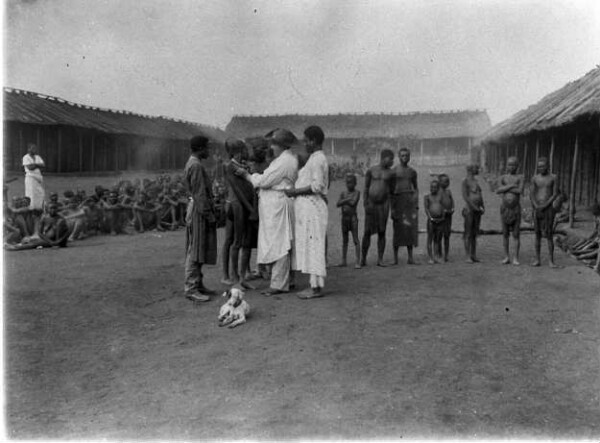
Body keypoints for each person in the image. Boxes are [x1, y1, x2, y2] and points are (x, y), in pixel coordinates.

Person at [235, 128, 298, 296]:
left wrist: (248, 175)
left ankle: (278, 284)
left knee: (279, 244)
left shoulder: (284, 161)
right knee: (283, 243)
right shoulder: (284, 160)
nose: (272, 148)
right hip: (275, 204)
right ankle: (287, 280)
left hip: (277, 205)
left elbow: (263, 181)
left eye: (274, 144)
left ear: (281, 146)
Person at [285, 126, 329, 299]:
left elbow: (317, 186)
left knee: (315, 246)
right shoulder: (314, 158)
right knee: (311, 246)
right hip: (308, 208)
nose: (304, 144)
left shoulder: (318, 159)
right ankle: (314, 285)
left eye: (306, 140)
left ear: (314, 141)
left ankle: (316, 288)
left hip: (313, 208)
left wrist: (295, 192)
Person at [183, 135, 218, 302]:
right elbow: (199, 195)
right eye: (206, 148)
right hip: (199, 210)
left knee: (200, 248)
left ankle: (198, 283)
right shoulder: (195, 165)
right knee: (195, 249)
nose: (208, 151)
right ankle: (191, 288)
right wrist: (209, 214)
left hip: (198, 208)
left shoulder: (194, 163)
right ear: (199, 149)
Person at [221, 138, 258, 289]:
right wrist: (251, 209)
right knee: (236, 241)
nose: (246, 152)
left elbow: (250, 188)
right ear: (237, 151)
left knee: (247, 242)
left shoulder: (244, 166)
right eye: (244, 150)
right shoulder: (230, 167)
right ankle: (234, 277)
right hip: (237, 206)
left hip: (245, 206)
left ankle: (242, 278)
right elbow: (238, 191)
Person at [361, 149, 394, 267]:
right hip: (371, 204)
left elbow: (392, 191)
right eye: (391, 159)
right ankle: (363, 259)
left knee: (382, 232)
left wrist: (390, 207)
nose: (392, 162)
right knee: (367, 232)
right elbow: (365, 188)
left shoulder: (391, 173)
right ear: (384, 158)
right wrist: (365, 203)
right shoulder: (372, 170)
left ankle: (380, 259)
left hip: (383, 205)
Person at [391, 148, 419, 265]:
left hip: (409, 201)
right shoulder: (394, 171)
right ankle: (395, 258)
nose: (405, 158)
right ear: (398, 157)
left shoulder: (412, 172)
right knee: (397, 229)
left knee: (409, 229)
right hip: (398, 201)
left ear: (410, 157)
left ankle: (410, 257)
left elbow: (416, 188)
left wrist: (415, 201)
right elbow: (391, 191)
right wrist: (392, 208)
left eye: (407, 155)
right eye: (402, 155)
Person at [530, 157, 560, 268]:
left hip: (548, 209)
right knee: (537, 234)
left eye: (543, 166)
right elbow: (532, 194)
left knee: (549, 235)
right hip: (537, 208)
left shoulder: (553, 177)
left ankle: (551, 261)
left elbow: (555, 194)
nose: (541, 168)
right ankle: (537, 259)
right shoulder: (535, 178)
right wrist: (536, 205)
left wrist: (545, 205)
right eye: (539, 166)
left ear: (548, 166)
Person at [496, 156, 524, 265]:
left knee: (516, 234)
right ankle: (506, 256)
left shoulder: (520, 177)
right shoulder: (502, 177)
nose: (511, 167)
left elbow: (520, 190)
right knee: (505, 234)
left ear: (517, 166)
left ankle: (516, 257)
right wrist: (512, 185)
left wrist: (506, 187)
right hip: (505, 209)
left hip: (515, 209)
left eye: (513, 165)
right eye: (509, 164)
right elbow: (498, 190)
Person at [336, 173, 361, 269]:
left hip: (353, 218)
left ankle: (358, 261)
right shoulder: (343, 193)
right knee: (345, 240)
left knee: (355, 239)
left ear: (355, 183)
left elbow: (353, 202)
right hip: (344, 218)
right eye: (347, 183)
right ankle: (343, 260)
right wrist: (347, 199)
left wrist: (344, 200)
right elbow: (338, 204)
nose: (349, 184)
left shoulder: (357, 192)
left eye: (351, 182)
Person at [462, 164, 485, 263]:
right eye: (476, 168)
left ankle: (473, 254)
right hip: (469, 210)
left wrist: (482, 206)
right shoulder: (465, 181)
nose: (478, 169)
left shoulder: (476, 181)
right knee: (468, 233)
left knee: (474, 234)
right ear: (471, 170)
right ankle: (468, 256)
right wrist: (474, 207)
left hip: (477, 211)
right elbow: (466, 197)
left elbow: (480, 194)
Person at [424, 180, 445, 264]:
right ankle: (430, 257)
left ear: (438, 188)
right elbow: (426, 209)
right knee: (430, 238)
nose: (433, 189)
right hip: (431, 221)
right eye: (431, 187)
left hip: (440, 220)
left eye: (435, 187)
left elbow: (443, 208)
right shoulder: (427, 197)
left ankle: (436, 256)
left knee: (437, 239)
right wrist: (430, 218)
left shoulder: (440, 196)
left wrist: (443, 217)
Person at [22, 143, 45, 212]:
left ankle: (39, 208)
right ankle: (32, 209)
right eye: (33, 148)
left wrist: (34, 165)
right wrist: (38, 165)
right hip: (30, 178)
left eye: (35, 148)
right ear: (29, 149)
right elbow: (30, 168)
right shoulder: (26, 157)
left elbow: (43, 165)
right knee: (31, 194)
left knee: (40, 193)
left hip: (38, 178)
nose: (34, 150)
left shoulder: (38, 157)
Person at [438, 173, 454, 262]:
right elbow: (436, 203)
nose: (447, 183)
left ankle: (446, 254)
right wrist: (442, 210)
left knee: (447, 235)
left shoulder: (448, 191)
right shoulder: (438, 192)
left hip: (448, 216)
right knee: (439, 235)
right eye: (445, 181)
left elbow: (452, 200)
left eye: (448, 181)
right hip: (440, 217)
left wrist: (453, 208)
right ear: (440, 182)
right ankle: (440, 253)